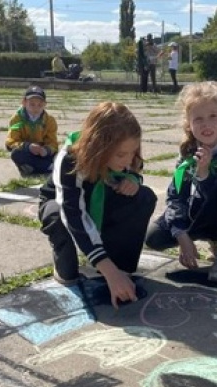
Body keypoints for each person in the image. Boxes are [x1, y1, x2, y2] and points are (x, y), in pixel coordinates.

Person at [38, 102, 157, 308]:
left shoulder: (127, 157)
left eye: (132, 152)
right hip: (63, 206)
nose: (128, 160)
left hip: (101, 202)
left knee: (144, 196)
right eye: (121, 154)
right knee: (57, 216)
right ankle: (65, 256)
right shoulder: (69, 160)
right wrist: (106, 268)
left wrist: (133, 180)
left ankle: (120, 263)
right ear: (98, 147)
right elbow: (73, 213)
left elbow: (134, 169)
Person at [146, 81, 217, 282]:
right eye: (198, 119)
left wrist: (204, 174)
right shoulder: (187, 154)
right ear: (188, 124)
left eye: (213, 117)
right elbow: (175, 196)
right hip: (198, 212)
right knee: (153, 237)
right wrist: (181, 235)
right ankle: (213, 240)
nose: (206, 125)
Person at [6, 86, 59, 177]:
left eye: (40, 105)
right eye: (32, 104)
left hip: (42, 152)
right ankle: (46, 167)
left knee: (59, 155)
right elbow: (11, 142)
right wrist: (28, 146)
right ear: (24, 103)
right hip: (27, 151)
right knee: (16, 154)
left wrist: (46, 150)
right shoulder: (17, 119)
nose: (36, 108)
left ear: (45, 104)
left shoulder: (49, 120)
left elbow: (53, 142)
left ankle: (35, 167)